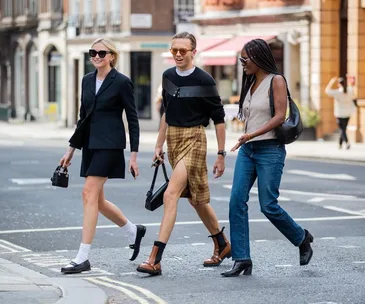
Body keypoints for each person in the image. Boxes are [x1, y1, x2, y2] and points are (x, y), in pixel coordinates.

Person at [136, 32, 231, 276]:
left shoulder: (205, 80)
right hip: (173, 140)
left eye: (183, 50)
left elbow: (219, 120)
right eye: (174, 50)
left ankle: (155, 258)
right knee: (196, 200)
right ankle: (222, 244)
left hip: (195, 139)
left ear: (193, 52)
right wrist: (158, 145)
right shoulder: (167, 76)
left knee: (171, 194)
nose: (178, 54)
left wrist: (221, 154)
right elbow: (167, 112)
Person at [221, 39, 313, 277]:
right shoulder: (250, 82)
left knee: (268, 206)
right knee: (236, 201)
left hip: (270, 149)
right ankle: (242, 259)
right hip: (248, 150)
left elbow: (280, 116)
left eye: (245, 59)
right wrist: (247, 136)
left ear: (258, 57)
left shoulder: (276, 80)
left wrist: (250, 133)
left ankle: (301, 238)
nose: (242, 63)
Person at [59, 38, 146, 274]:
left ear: (112, 56)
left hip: (110, 145)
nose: (96, 56)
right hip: (90, 144)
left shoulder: (121, 82)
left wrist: (134, 155)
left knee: (88, 192)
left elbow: (132, 119)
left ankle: (83, 257)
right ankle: (133, 231)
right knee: (97, 201)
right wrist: (71, 149)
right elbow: (83, 117)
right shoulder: (86, 80)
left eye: (101, 53)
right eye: (93, 53)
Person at [325, 76, 356, 150]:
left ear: (339, 84)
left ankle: (347, 142)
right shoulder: (350, 90)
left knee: (342, 129)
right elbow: (353, 93)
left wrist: (331, 82)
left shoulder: (338, 92)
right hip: (348, 113)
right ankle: (340, 144)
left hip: (339, 113)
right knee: (343, 129)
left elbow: (327, 91)